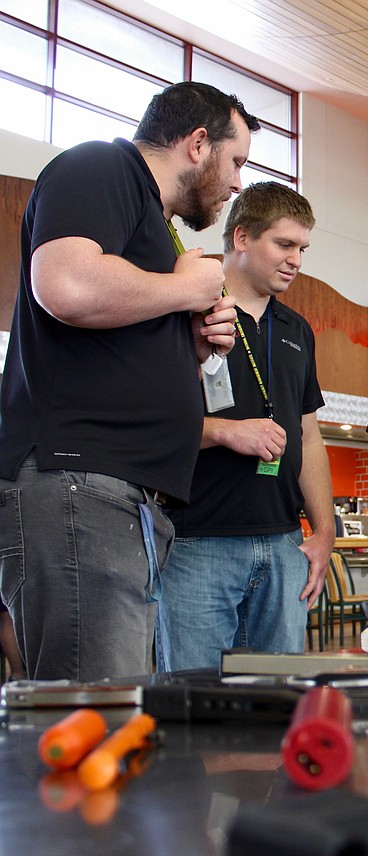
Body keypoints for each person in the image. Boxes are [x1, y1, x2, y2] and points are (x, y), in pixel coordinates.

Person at [0, 82, 257, 681]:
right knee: (91, 722)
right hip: (80, 484)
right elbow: (66, 285)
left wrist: (187, 343)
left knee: (112, 718)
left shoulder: (154, 223)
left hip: (116, 497)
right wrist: (183, 289)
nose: (238, 183)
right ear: (198, 144)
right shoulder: (99, 164)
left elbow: (113, 338)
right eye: (236, 161)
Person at [156, 183, 333, 671]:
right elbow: (145, 423)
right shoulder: (185, 311)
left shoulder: (297, 329)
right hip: (197, 542)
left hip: (283, 545)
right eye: (284, 244)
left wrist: (324, 531)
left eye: (303, 248)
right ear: (241, 237)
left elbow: (309, 436)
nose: (296, 259)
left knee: (278, 710)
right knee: (197, 707)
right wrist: (224, 432)